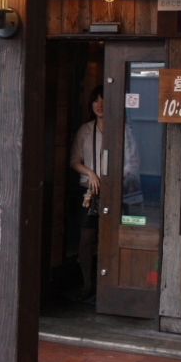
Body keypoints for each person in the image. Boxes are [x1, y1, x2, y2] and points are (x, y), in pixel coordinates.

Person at [69, 86, 105, 300]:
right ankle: (87, 283)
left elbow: (133, 161)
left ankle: (107, 285)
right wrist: (90, 172)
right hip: (88, 192)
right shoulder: (85, 130)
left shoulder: (122, 128)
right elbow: (74, 161)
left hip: (113, 191)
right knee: (86, 237)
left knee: (110, 237)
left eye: (104, 100)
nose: (99, 105)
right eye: (96, 100)